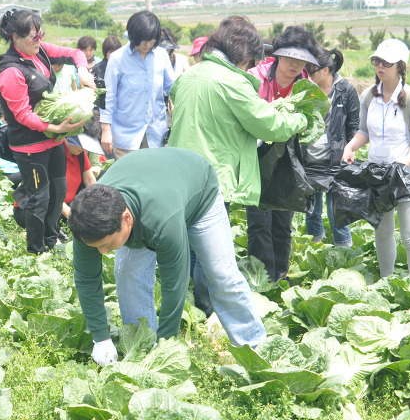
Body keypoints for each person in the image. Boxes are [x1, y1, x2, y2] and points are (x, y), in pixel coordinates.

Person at [69, 148, 266, 366]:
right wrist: (100, 338)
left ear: (126, 219)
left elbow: (175, 283)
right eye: (96, 246)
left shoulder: (162, 223)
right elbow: (87, 280)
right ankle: (142, 349)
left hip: (198, 190)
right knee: (127, 273)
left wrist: (165, 348)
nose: (102, 252)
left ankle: (254, 349)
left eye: (106, 245)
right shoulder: (86, 222)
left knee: (221, 273)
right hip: (152, 186)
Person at [167, 15, 307, 317]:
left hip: (179, 175)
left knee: (190, 248)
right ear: (242, 55)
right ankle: (206, 310)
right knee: (210, 254)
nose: (249, 66)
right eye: (250, 60)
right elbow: (269, 125)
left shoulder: (189, 75)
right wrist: (300, 119)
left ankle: (187, 308)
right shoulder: (231, 82)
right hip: (211, 178)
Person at [0, 8, 95, 254]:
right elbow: (22, 115)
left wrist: (82, 69)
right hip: (30, 146)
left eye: (41, 34)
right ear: (15, 38)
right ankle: (36, 250)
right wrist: (55, 127)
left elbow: (74, 53)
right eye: (33, 36)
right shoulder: (10, 72)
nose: (39, 40)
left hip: (52, 141)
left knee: (58, 192)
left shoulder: (41, 52)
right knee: (39, 198)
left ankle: (51, 239)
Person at [342, 39, 410, 279]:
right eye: (376, 61)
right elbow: (364, 132)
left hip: (406, 175)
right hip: (377, 175)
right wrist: (351, 146)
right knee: (382, 233)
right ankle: (386, 281)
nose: (379, 66)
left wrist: (407, 161)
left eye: (386, 63)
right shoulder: (369, 96)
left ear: (400, 66)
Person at [246, 25, 320, 282]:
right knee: (258, 223)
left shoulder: (306, 88)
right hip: (255, 158)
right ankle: (262, 278)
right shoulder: (254, 77)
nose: (294, 65)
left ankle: (280, 275)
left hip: (288, 160)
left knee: (282, 222)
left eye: (301, 61)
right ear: (278, 55)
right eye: (290, 58)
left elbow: (313, 123)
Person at [303, 47, 359, 248]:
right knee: (311, 210)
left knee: (337, 208)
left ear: (326, 70)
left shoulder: (345, 90)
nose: (308, 76)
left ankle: (343, 250)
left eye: (312, 71)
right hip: (309, 157)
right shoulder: (305, 89)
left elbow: (354, 125)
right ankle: (314, 249)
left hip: (336, 158)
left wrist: (350, 149)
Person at [101, 11, 175, 157]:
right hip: (126, 134)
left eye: (152, 40)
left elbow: (172, 87)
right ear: (133, 36)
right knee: (128, 178)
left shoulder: (161, 56)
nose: (148, 45)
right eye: (144, 41)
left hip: (155, 133)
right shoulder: (117, 59)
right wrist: (106, 130)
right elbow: (108, 96)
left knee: (153, 177)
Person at [14, 132, 102, 229]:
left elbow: (90, 181)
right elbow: (51, 196)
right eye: (79, 145)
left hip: (64, 207)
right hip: (34, 208)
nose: (82, 148)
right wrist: (75, 218)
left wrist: (96, 206)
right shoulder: (51, 153)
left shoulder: (80, 153)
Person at [90, 36, 121, 113]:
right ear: (105, 52)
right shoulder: (97, 68)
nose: (113, 55)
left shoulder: (124, 68)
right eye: (110, 52)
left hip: (120, 109)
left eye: (116, 52)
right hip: (101, 110)